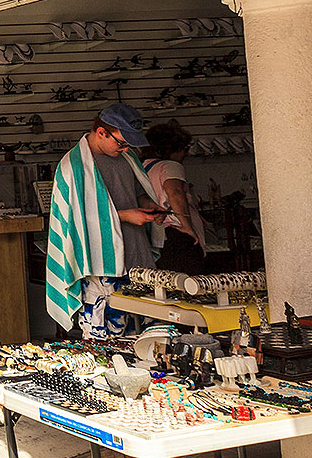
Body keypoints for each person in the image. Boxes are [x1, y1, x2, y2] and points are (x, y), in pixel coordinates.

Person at [43, 104, 168, 340]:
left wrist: (147, 205)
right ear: (101, 132)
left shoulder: (127, 157)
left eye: (129, 144)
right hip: (100, 265)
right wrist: (126, 216)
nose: (125, 148)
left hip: (136, 256)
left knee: (149, 334)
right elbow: (76, 221)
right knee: (107, 337)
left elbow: (133, 193)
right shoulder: (73, 166)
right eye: (121, 142)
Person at [140, 122, 208, 274]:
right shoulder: (170, 166)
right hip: (178, 235)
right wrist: (188, 228)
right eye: (184, 149)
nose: (187, 154)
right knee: (191, 286)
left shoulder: (145, 167)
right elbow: (175, 193)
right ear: (173, 148)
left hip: (158, 236)